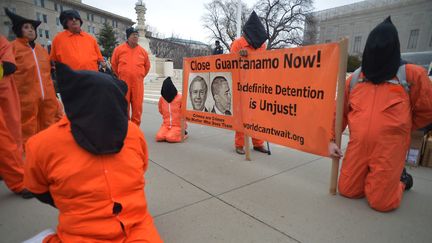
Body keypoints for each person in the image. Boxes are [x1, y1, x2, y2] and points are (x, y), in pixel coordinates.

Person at [24, 63, 163, 242]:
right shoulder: (133, 133)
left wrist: (71, 203)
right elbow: (142, 168)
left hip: (127, 229)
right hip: (99, 233)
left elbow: (38, 189)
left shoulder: (40, 145)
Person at [328, 17, 432, 212]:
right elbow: (339, 112)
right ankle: (374, 176)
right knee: (347, 190)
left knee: (382, 203)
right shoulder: (356, 78)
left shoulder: (411, 75)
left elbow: (426, 110)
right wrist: (331, 139)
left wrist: (401, 128)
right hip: (359, 146)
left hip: (390, 149)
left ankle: (400, 180)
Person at [6, 8, 60, 146]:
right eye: (26, 27)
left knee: (50, 128)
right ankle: (29, 159)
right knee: (27, 130)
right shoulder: (12, 48)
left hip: (47, 98)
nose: (31, 30)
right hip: (25, 99)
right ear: (18, 30)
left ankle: (48, 154)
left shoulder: (42, 50)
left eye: (32, 28)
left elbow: (48, 74)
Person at [230, 11, 269, 155]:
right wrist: (239, 57)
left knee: (256, 116)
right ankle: (239, 144)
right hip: (241, 85)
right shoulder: (238, 43)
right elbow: (230, 63)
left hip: (257, 85)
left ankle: (258, 143)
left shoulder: (262, 45)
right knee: (242, 116)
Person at [0, 34, 32, 198]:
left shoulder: (3, 42)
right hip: (9, 91)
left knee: (12, 134)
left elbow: (9, 65)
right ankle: (18, 180)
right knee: (5, 139)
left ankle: (12, 172)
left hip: (7, 92)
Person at [111, 27, 150, 126]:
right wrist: (122, 75)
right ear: (128, 37)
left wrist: (139, 75)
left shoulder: (143, 52)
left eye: (137, 35)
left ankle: (136, 128)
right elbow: (114, 64)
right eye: (133, 35)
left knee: (137, 106)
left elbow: (147, 66)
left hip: (138, 84)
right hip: (124, 83)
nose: (136, 37)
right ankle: (126, 127)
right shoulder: (119, 49)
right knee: (124, 105)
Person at [156, 77, 187, 143]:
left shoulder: (180, 97)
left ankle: (183, 133)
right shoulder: (162, 99)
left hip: (178, 125)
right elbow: (160, 110)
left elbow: (184, 112)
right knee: (159, 137)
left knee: (170, 138)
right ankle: (170, 132)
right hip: (166, 124)